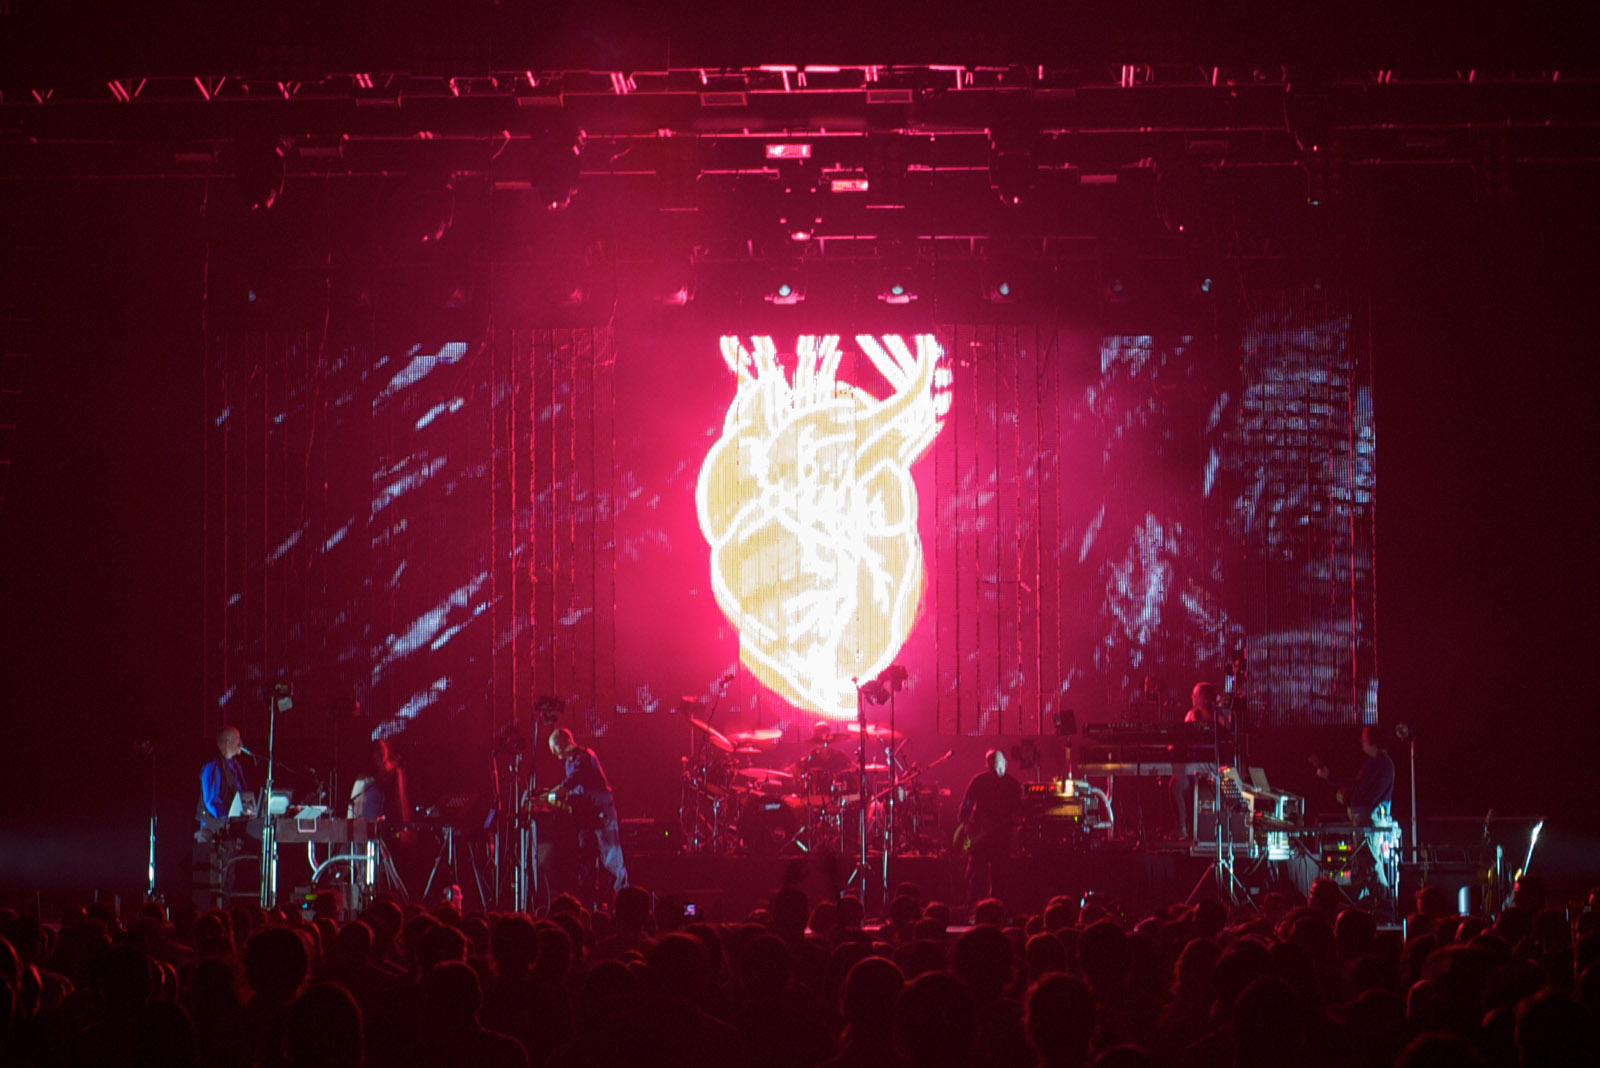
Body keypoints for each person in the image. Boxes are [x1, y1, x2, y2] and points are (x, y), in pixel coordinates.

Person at [546, 727, 629, 903]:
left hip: (601, 812)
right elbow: (573, 790)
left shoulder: (584, 756)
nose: (553, 753)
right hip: (587, 816)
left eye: (554, 748)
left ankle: (623, 897)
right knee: (587, 858)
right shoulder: (569, 762)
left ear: (562, 743)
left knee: (611, 856)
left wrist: (548, 796)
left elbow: (571, 782)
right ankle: (591, 902)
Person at [956, 749, 1022, 905]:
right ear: (987, 765)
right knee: (976, 872)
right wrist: (966, 824)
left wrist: (1011, 823)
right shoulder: (979, 780)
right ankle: (975, 904)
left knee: (999, 872)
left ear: (1005, 763)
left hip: (1001, 835)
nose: (997, 767)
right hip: (980, 833)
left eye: (999, 763)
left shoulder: (1012, 784)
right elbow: (967, 803)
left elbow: (1017, 811)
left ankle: (997, 905)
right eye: (993, 763)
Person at [1169, 682, 1227, 839]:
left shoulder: (1219, 717)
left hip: (1214, 768)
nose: (1193, 698)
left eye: (1196, 695)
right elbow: (1182, 739)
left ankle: (1207, 830)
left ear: (1206, 698)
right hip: (1193, 766)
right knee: (1176, 785)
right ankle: (1182, 828)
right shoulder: (1191, 715)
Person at [197, 725, 254, 838]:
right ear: (228, 742)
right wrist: (228, 819)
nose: (241, 743)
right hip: (215, 830)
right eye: (238, 739)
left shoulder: (236, 765)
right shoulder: (212, 765)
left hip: (233, 826)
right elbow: (211, 801)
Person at [348, 739, 410, 822]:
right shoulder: (364, 778)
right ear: (373, 754)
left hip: (379, 826)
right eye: (378, 749)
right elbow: (353, 805)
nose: (381, 752)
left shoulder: (388, 780)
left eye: (383, 749)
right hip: (364, 825)